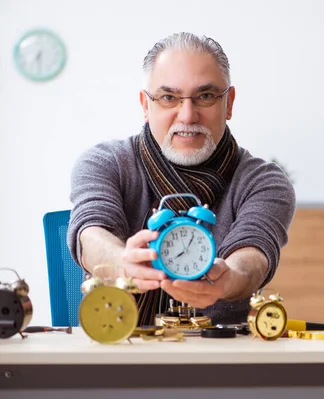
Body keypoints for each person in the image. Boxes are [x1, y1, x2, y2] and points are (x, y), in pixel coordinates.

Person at [66, 32, 296, 325]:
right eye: (168, 97)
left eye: (205, 96)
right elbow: (90, 233)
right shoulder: (105, 163)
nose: (187, 115)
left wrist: (230, 279)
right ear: (145, 105)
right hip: (117, 346)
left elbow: (253, 255)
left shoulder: (263, 181)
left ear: (229, 103)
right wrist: (121, 263)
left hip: (220, 357)